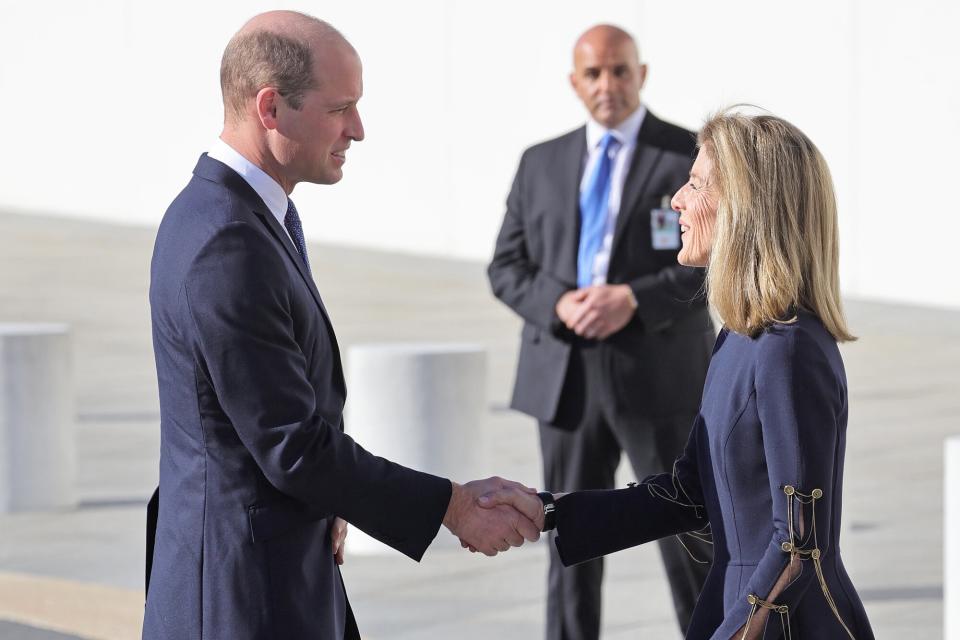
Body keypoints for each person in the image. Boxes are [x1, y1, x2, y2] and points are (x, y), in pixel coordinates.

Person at [144, 11, 539, 640]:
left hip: (275, 577)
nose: (358, 129)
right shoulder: (225, 242)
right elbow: (291, 445)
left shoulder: (239, 218)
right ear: (270, 107)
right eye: (340, 108)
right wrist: (453, 507)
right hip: (242, 600)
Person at [480, 109, 876, 639]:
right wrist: (551, 511)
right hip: (736, 607)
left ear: (745, 204)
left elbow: (798, 545)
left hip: (785, 624)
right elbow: (688, 492)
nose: (676, 201)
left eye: (695, 184)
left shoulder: (790, 346)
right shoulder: (739, 336)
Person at [487, 24, 713, 638]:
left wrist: (633, 300)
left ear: (641, 74)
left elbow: (716, 259)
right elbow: (506, 267)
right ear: (574, 82)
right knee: (568, 541)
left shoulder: (689, 155)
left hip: (658, 378)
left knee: (688, 532)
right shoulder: (540, 162)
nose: (607, 84)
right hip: (566, 382)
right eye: (594, 73)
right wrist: (560, 303)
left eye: (619, 70)